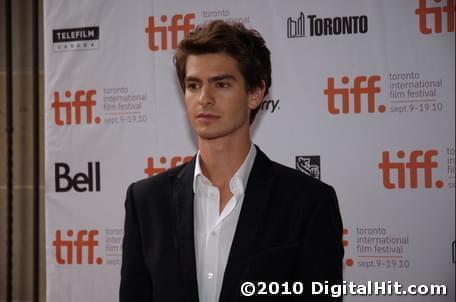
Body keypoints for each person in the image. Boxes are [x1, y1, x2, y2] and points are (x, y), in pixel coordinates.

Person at [120, 20, 343, 302]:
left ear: (255, 93)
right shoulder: (146, 201)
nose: (204, 99)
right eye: (193, 85)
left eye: (221, 84)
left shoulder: (308, 202)